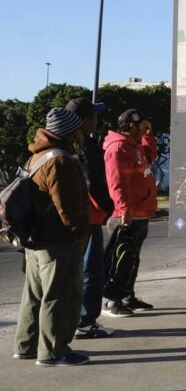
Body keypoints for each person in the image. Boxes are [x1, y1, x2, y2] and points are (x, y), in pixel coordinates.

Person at [13, 108, 91, 366]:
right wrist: (79, 235)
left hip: (36, 239)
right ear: (69, 132)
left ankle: (26, 346)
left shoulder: (36, 157)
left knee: (34, 295)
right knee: (61, 294)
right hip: (58, 240)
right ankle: (54, 352)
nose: (82, 132)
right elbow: (68, 206)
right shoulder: (60, 161)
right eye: (78, 128)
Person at [101, 108, 158, 317]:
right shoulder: (118, 148)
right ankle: (110, 302)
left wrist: (149, 136)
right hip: (126, 215)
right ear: (132, 125)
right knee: (120, 261)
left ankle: (127, 296)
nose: (145, 128)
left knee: (131, 260)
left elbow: (150, 157)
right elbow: (116, 182)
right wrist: (124, 209)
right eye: (142, 125)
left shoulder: (134, 145)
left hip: (141, 213)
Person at [65, 97, 114, 339]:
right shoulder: (83, 147)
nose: (97, 120)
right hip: (89, 218)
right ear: (84, 120)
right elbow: (92, 183)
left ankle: (80, 320)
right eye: (94, 116)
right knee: (91, 272)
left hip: (80, 218)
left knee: (82, 271)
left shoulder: (74, 144)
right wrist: (107, 207)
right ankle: (84, 322)